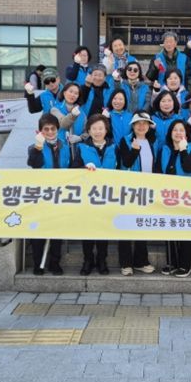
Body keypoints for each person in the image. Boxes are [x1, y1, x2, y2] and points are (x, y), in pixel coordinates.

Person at [155, 119, 191, 277]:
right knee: (169, 229)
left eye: (181, 130)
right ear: (170, 133)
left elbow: (189, 168)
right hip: (168, 196)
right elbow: (158, 171)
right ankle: (172, 262)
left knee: (185, 230)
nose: (178, 133)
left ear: (186, 134)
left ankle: (185, 265)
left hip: (186, 197)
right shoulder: (164, 149)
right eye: (175, 130)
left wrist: (183, 150)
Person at [73, 114, 117, 276]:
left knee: (103, 228)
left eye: (101, 128)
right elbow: (73, 169)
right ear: (89, 131)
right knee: (88, 229)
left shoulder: (114, 147)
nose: (98, 131)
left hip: (108, 194)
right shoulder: (82, 147)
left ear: (106, 130)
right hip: (88, 195)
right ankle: (88, 260)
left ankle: (102, 260)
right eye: (94, 128)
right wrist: (83, 168)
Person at [26, 114, 69, 276]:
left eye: (53, 129)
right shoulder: (34, 147)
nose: (50, 132)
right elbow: (34, 164)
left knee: (57, 230)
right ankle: (38, 263)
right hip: (41, 195)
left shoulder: (65, 146)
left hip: (61, 193)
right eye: (46, 129)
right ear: (40, 131)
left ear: (58, 129)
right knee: (39, 229)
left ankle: (54, 263)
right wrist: (38, 147)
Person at [117, 111, 157, 276]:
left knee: (142, 225)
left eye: (145, 123)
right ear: (133, 126)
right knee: (126, 225)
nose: (141, 126)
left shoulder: (153, 142)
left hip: (147, 191)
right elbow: (125, 163)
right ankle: (126, 263)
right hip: (129, 190)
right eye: (138, 123)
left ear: (149, 126)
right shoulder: (125, 140)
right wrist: (134, 150)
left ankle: (141, 261)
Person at [50, 83, 86, 156]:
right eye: (70, 91)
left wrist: (80, 138)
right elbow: (63, 124)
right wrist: (73, 115)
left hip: (77, 151)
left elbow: (88, 131)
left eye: (76, 93)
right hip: (59, 150)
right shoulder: (55, 109)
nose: (73, 95)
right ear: (64, 93)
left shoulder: (82, 113)